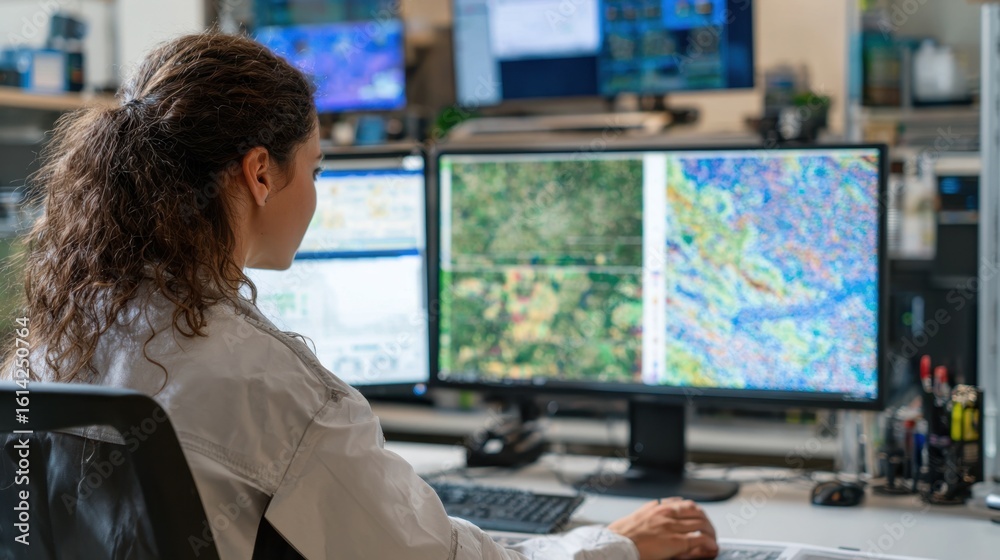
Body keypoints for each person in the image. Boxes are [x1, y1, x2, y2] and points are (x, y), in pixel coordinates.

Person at [2, 32, 719, 560]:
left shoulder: (49, 344)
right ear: (259, 173)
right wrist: (612, 545)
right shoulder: (278, 389)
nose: (316, 194)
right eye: (314, 169)